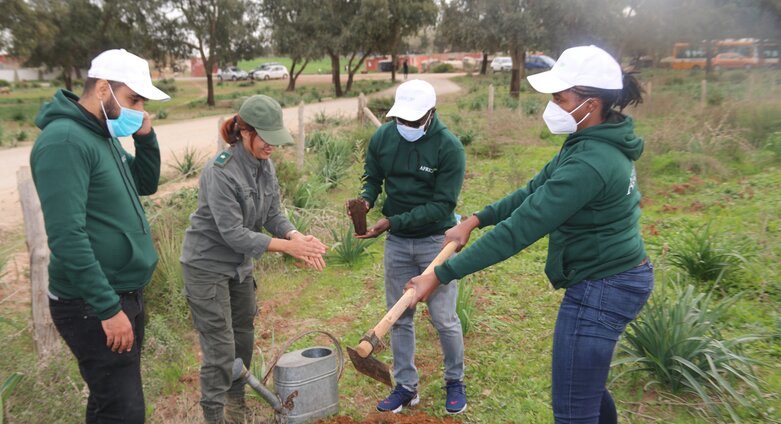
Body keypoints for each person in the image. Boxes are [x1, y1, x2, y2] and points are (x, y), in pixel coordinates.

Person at [406, 45, 652, 424]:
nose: (552, 105)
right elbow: (533, 190)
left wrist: (439, 275)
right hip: (612, 276)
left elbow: (521, 229)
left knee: (573, 408)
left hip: (604, 287)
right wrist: (475, 219)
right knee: (585, 388)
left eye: (561, 97)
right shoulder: (590, 141)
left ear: (592, 102)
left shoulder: (591, 162)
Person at [30, 49, 170, 423]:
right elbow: (66, 236)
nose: (139, 108)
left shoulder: (100, 135)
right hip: (91, 304)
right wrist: (108, 309)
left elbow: (145, 183)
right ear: (103, 89)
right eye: (133, 99)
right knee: (124, 412)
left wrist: (145, 135)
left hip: (119, 293)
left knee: (109, 402)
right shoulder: (65, 142)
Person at [180, 95, 328, 424]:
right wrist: (287, 248)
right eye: (267, 139)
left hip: (238, 267)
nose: (272, 146)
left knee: (243, 338)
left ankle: (236, 411)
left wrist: (294, 236)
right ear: (246, 132)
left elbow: (273, 212)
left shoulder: (265, 165)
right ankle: (216, 418)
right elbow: (233, 233)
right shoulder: (221, 171)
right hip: (206, 266)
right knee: (219, 351)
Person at [349, 79, 467, 414]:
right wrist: (367, 201)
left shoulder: (449, 147)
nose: (407, 127)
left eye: (414, 121)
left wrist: (392, 221)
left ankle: (454, 381)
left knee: (444, 318)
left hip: (435, 241)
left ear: (431, 114)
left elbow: (443, 206)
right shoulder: (385, 136)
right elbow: (372, 177)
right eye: (402, 120)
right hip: (399, 245)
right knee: (399, 317)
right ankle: (405, 386)